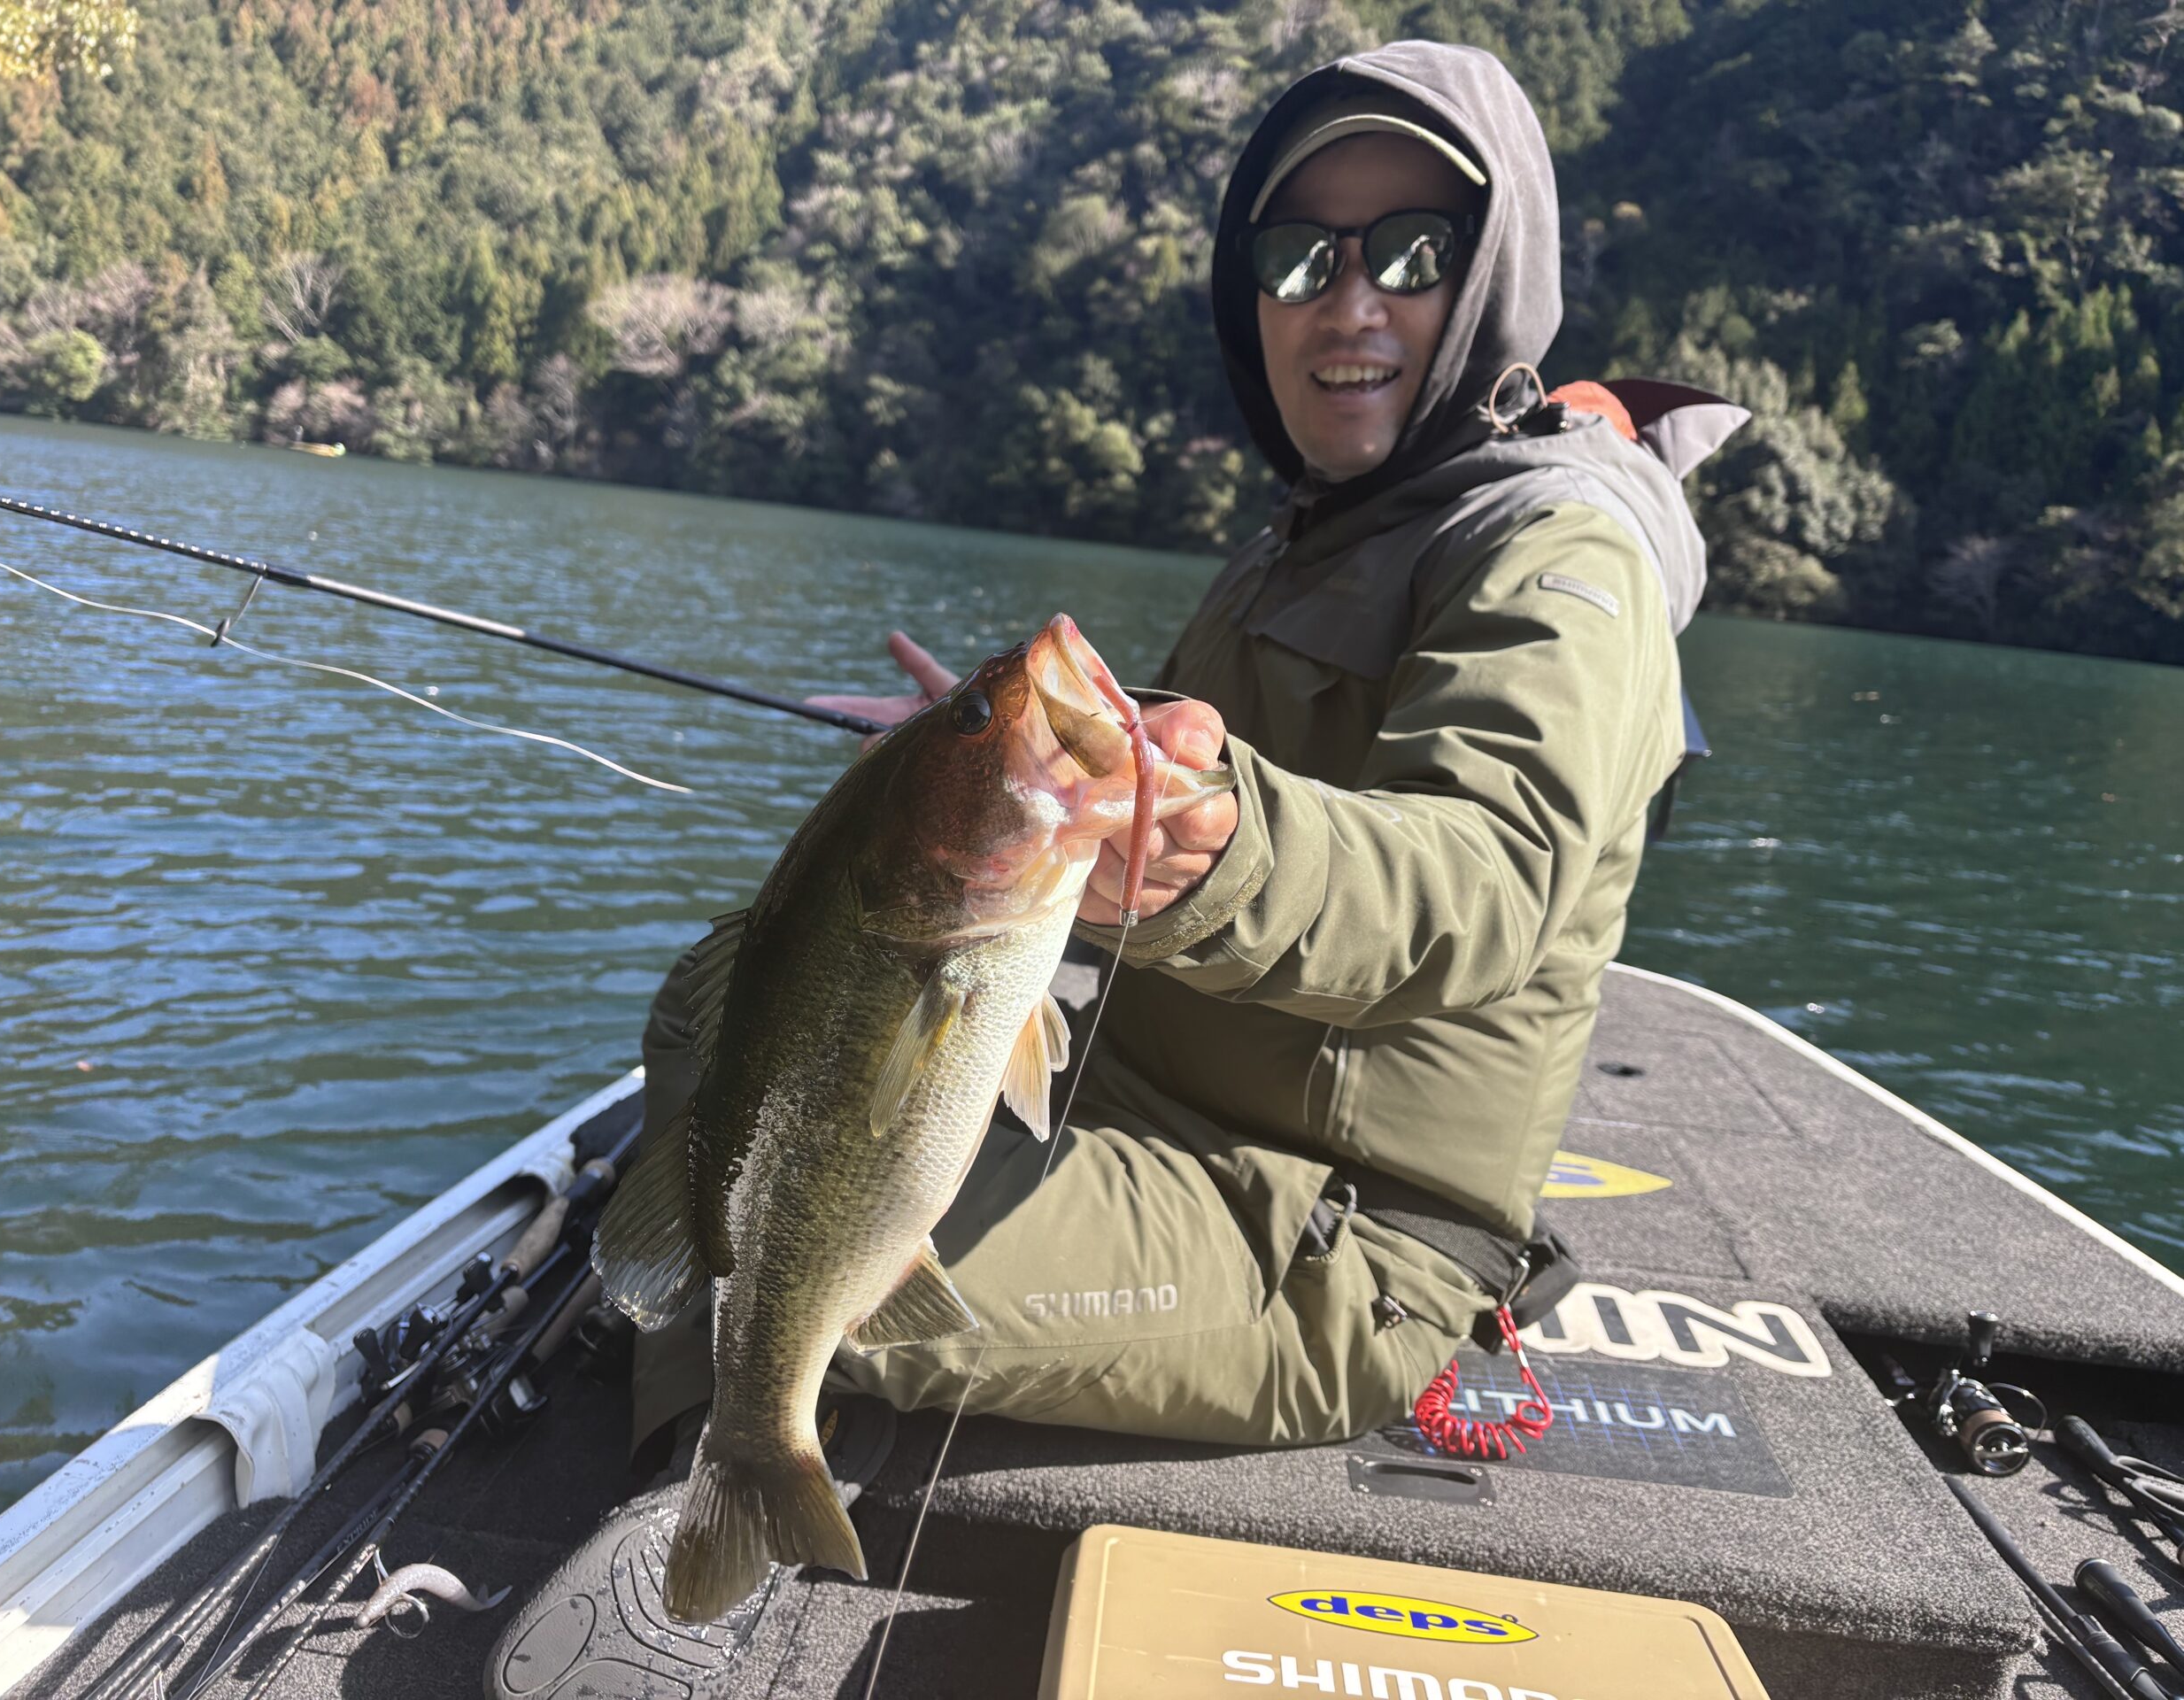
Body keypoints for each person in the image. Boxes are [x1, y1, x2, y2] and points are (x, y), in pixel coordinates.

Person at [490, 39, 1733, 1697]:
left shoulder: (1558, 553)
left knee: (820, 1258)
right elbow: (1167, 752)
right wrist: (986, 765)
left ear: (1498, 277)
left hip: (1335, 1238)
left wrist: (1218, 850)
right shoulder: (1322, 527)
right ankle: (720, 1423)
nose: (1348, 301)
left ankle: (721, 1493)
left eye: (1412, 251)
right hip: (1146, 1102)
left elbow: (1482, 881)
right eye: (1299, 256)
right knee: (716, 1051)